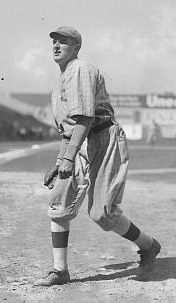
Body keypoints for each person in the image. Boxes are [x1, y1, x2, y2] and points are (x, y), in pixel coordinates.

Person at [34, 26, 161, 286]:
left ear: (77, 47)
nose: (57, 46)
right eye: (54, 42)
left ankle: (148, 246)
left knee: (102, 214)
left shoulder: (81, 69)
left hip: (103, 138)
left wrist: (68, 158)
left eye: (64, 42)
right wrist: (60, 161)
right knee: (59, 202)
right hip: (78, 143)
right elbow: (69, 131)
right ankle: (60, 270)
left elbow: (85, 119)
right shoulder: (58, 82)